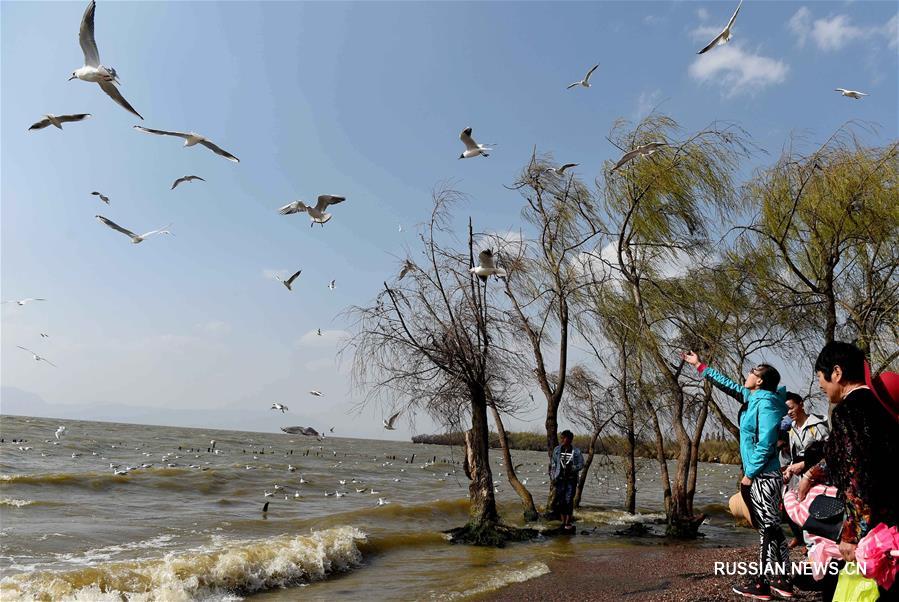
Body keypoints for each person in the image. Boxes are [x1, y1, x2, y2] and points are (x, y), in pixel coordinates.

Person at [785, 341, 899, 600]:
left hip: (871, 531)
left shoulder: (848, 410)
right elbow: (847, 453)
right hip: (891, 523)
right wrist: (811, 473)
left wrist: (851, 533)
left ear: (836, 372)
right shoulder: (880, 409)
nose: (821, 386)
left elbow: (855, 472)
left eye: (820, 378)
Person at [682, 351, 792, 599]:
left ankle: (763, 583)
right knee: (772, 527)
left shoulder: (766, 404)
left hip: (763, 475)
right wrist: (700, 365)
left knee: (767, 528)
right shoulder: (753, 397)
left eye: (752, 372)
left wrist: (749, 475)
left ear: (760, 380)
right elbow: (727, 384)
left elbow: (766, 443)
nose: (747, 374)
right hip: (762, 474)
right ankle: (783, 579)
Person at [549, 429, 584, 532]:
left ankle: (568, 523)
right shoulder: (557, 450)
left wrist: (572, 468)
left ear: (570, 439)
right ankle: (563, 523)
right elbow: (553, 465)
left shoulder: (576, 451)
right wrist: (553, 478)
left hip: (571, 480)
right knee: (561, 501)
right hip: (559, 479)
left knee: (569, 501)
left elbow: (581, 464)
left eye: (565, 438)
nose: (563, 440)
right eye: (562, 438)